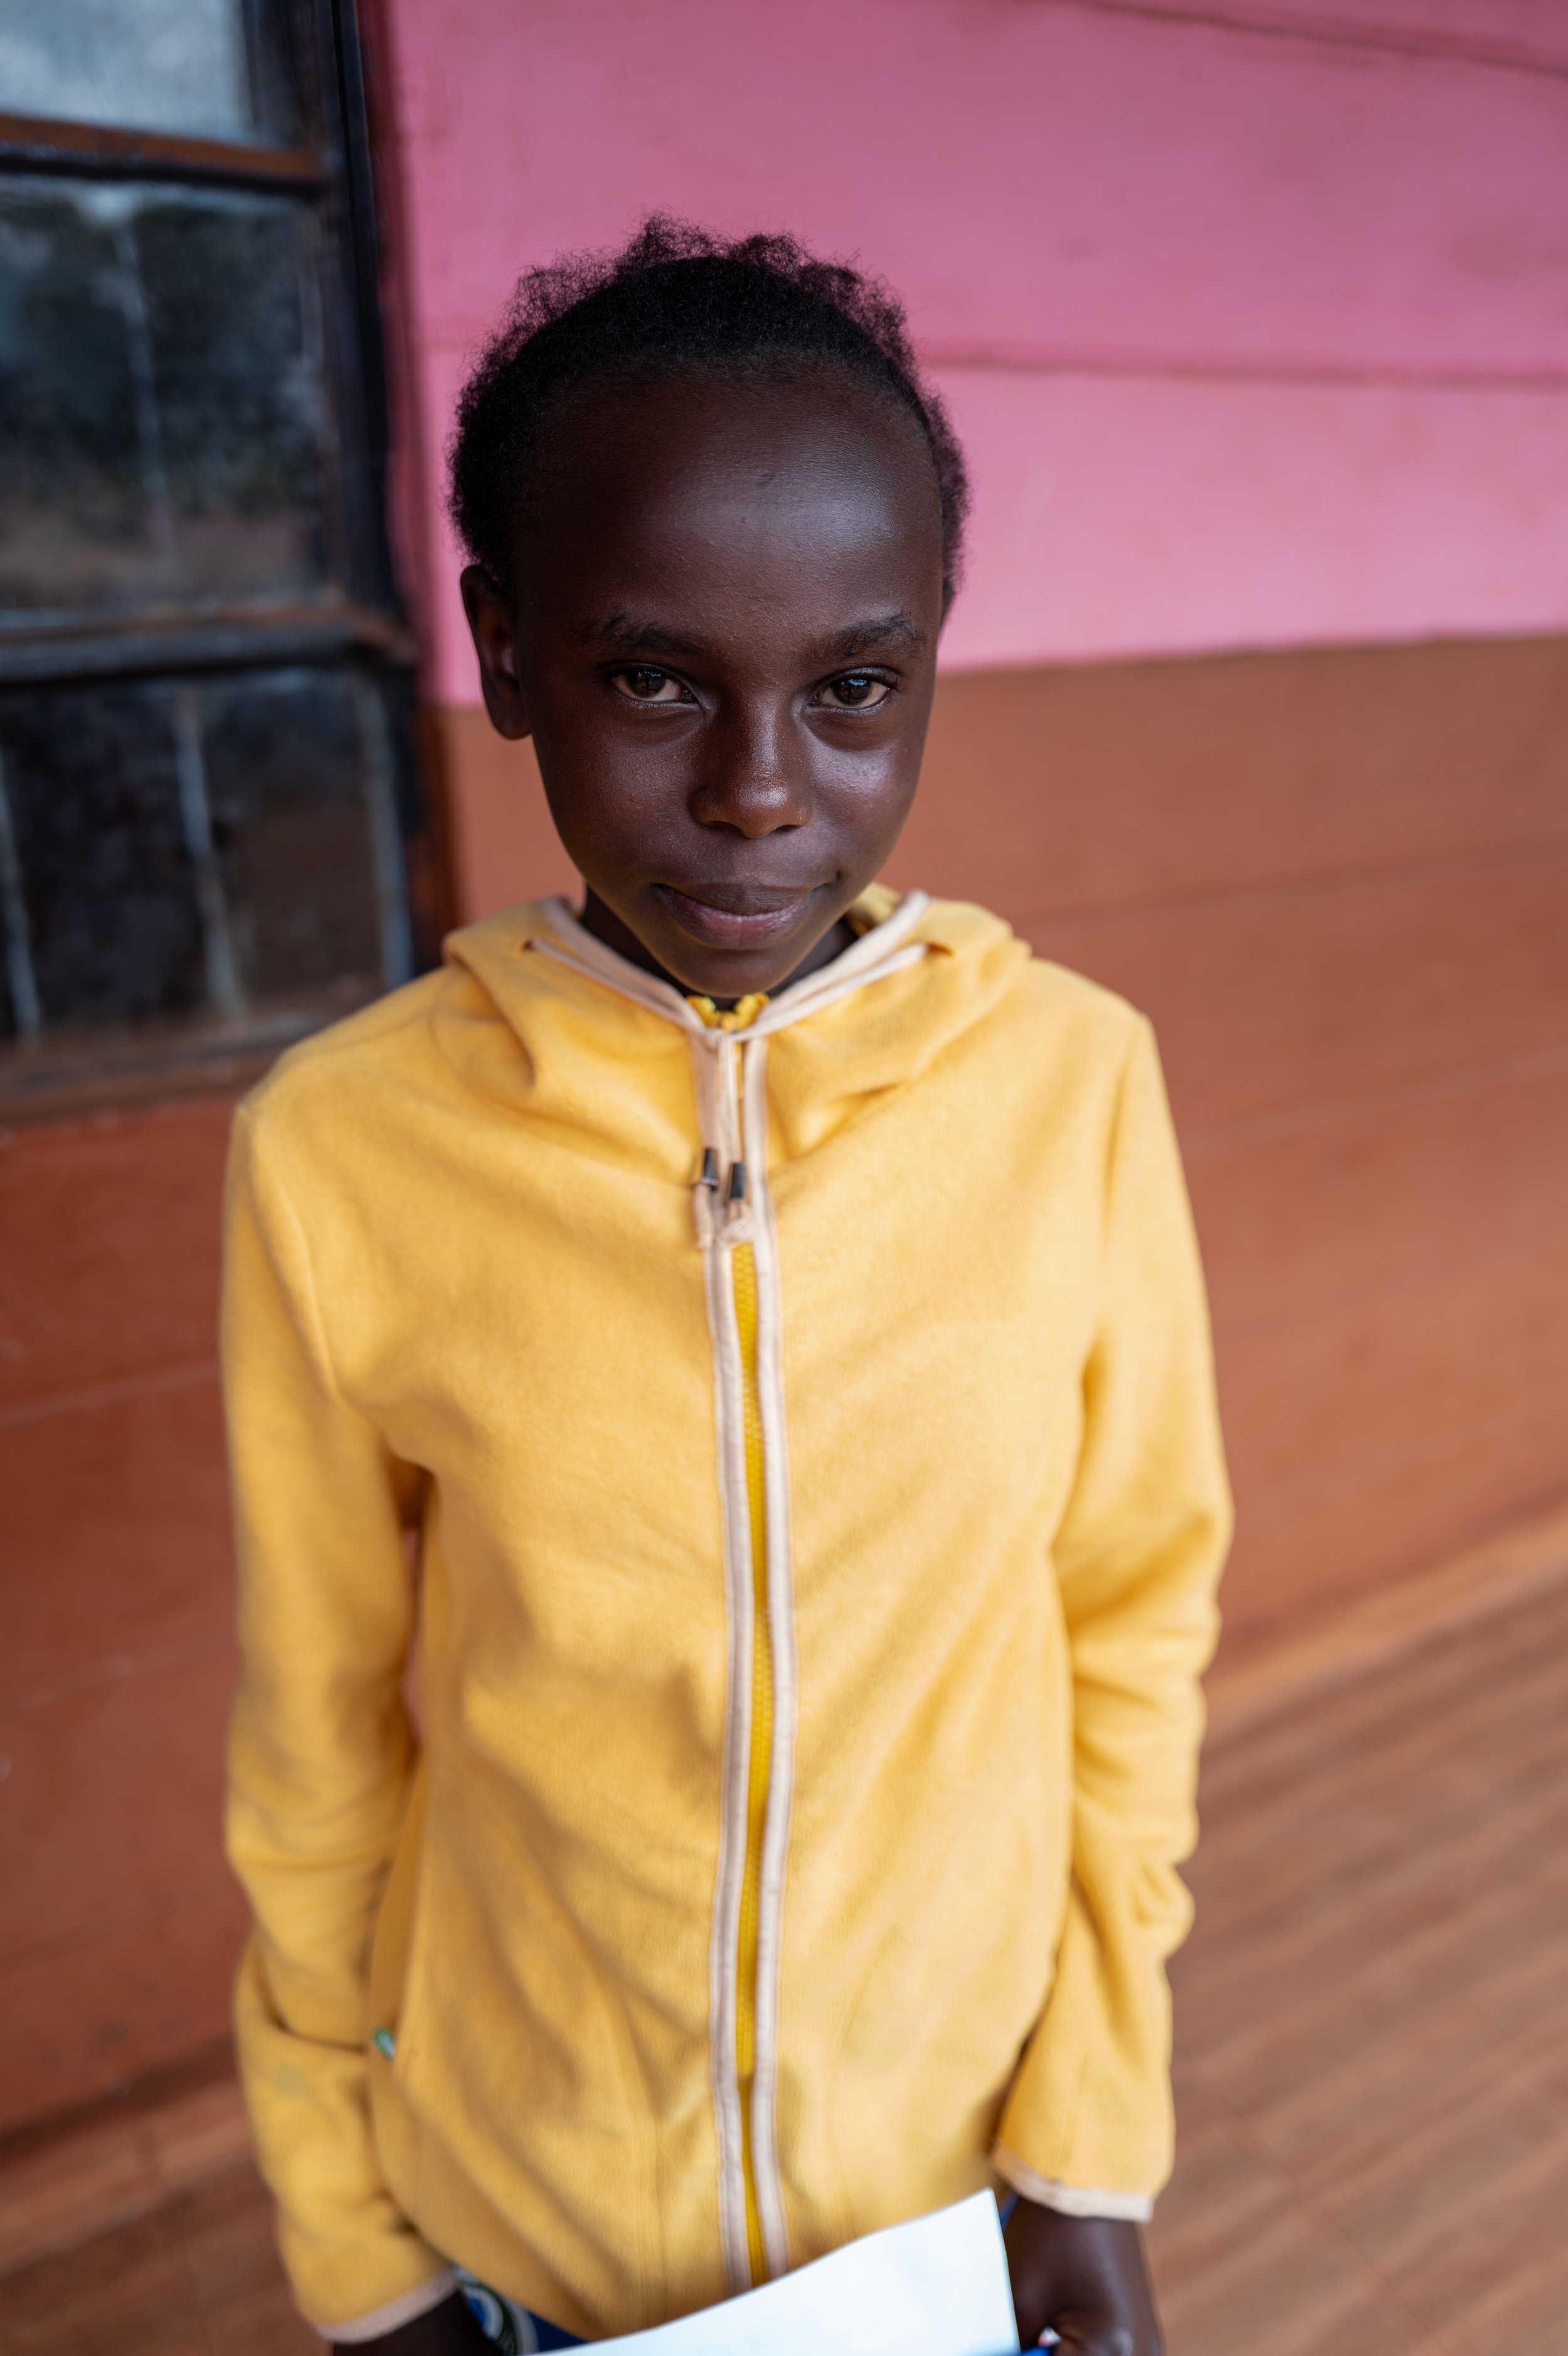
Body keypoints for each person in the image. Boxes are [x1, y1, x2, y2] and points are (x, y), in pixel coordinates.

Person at [223, 219, 1231, 2356]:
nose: (760, 793)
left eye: (852, 687)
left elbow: (1127, 1631)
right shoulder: (341, 1148)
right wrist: (353, 2246)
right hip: (523, 2226)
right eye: (655, 678)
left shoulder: (1071, 1085)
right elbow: (315, 1730)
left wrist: (1088, 2146)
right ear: (507, 651)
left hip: (940, 2216)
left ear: (932, 659)